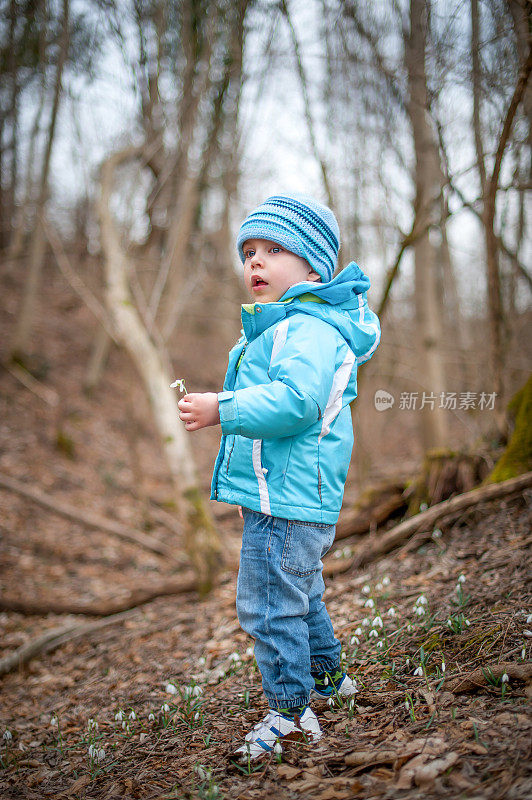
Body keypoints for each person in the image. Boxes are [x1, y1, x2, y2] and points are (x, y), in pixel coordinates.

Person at [177, 194, 380, 760]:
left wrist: (224, 406)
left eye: (273, 250)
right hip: (285, 494)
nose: (255, 263)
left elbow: (298, 403)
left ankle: (290, 715)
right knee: (301, 592)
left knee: (269, 603)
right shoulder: (285, 327)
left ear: (313, 267)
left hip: (289, 497)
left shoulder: (307, 330)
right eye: (248, 252)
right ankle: (329, 680)